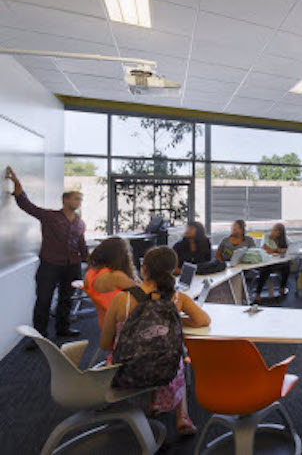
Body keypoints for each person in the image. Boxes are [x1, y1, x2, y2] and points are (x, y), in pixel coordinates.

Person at [100, 247, 210, 435]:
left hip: (124, 371)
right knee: (176, 359)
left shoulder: (122, 299)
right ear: (172, 271)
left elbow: (105, 344)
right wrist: (173, 319)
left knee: (145, 353)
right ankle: (182, 417)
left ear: (144, 270)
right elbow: (203, 320)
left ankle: (153, 404)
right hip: (165, 372)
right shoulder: (177, 298)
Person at [6, 166, 87, 343]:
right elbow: (27, 206)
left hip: (72, 266)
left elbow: (81, 244)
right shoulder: (49, 216)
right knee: (44, 300)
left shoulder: (80, 223)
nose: (79, 201)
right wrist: (16, 183)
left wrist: (88, 261)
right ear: (65, 200)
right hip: (50, 265)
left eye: (80, 199)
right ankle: (39, 337)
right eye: (75, 198)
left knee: (67, 299)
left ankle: (63, 329)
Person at [84, 237, 138, 328]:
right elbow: (143, 295)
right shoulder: (116, 277)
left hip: (104, 323)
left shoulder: (89, 275)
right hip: (124, 324)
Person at [253, 223, 291, 302]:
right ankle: (258, 293)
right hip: (266, 262)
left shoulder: (284, 239)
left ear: (280, 233)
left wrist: (286, 249)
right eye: (273, 229)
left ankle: (282, 288)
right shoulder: (266, 237)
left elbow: (290, 246)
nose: (272, 231)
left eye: (275, 230)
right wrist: (278, 250)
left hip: (277, 262)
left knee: (286, 266)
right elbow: (266, 250)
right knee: (265, 270)